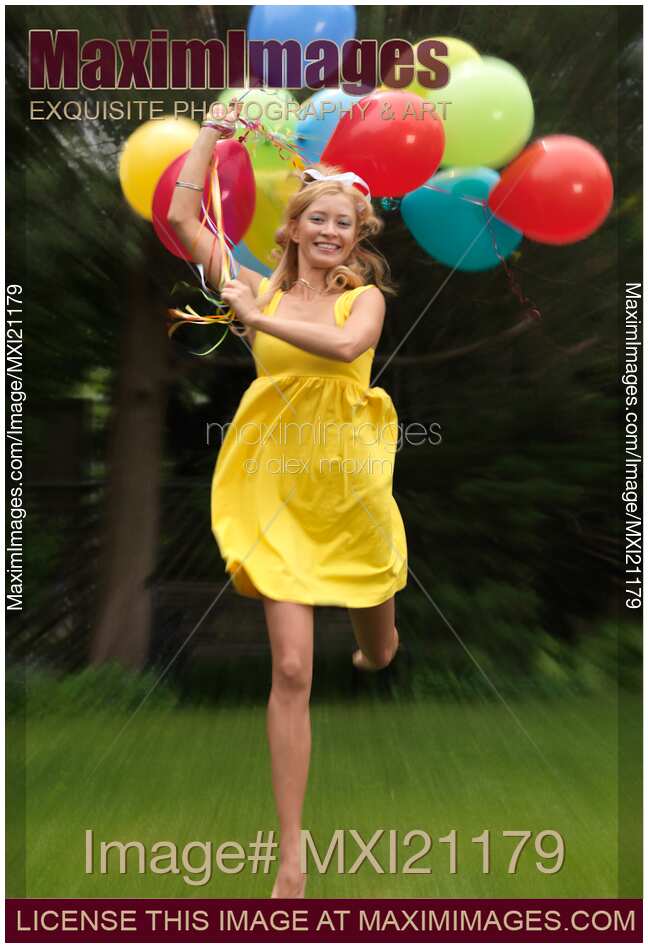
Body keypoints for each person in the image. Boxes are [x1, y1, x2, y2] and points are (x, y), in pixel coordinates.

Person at [168, 99, 408, 899]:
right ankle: (292, 861)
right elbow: (179, 212)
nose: (333, 232)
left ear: (356, 235)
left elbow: (346, 348)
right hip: (273, 484)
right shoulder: (249, 286)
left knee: (379, 640)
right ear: (296, 227)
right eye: (321, 220)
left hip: (348, 485)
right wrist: (213, 128)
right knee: (294, 670)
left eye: (347, 222)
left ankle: (377, 651)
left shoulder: (361, 299)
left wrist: (255, 314)